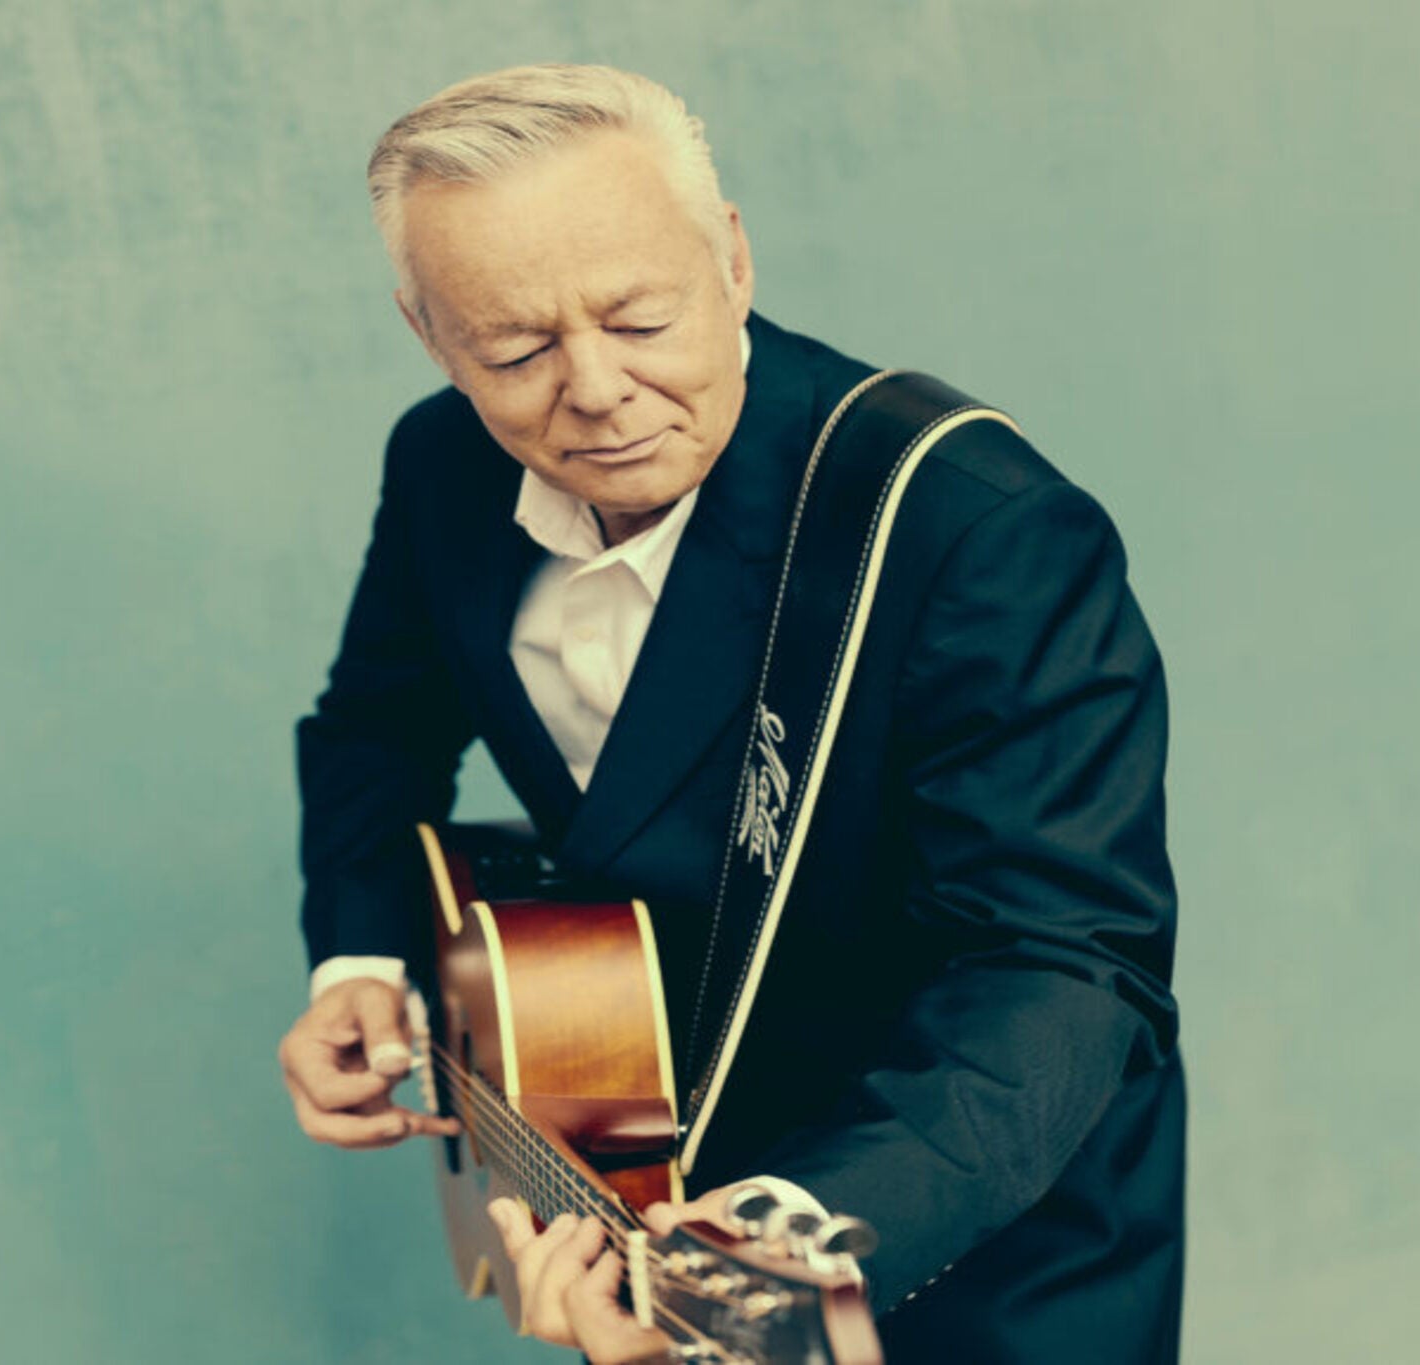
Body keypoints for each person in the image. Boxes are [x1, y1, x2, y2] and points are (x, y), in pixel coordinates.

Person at [276, 64, 1183, 1364]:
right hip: (623, 1154)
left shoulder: (969, 527)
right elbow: (371, 727)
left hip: (961, 1212)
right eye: (517, 349)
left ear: (733, 260)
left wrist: (767, 1263)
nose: (592, 387)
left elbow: (1059, 967)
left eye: (639, 317)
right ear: (431, 337)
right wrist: (360, 965)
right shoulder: (440, 464)